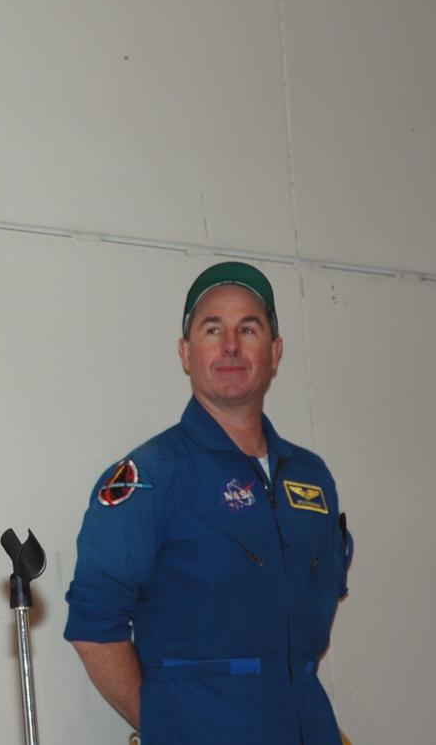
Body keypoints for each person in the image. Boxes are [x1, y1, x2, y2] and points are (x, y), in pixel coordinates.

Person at [64, 262, 351, 744]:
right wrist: (167, 724)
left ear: (275, 352)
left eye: (249, 329)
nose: (231, 346)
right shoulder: (149, 477)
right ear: (186, 352)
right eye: (212, 329)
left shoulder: (312, 479)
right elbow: (94, 627)